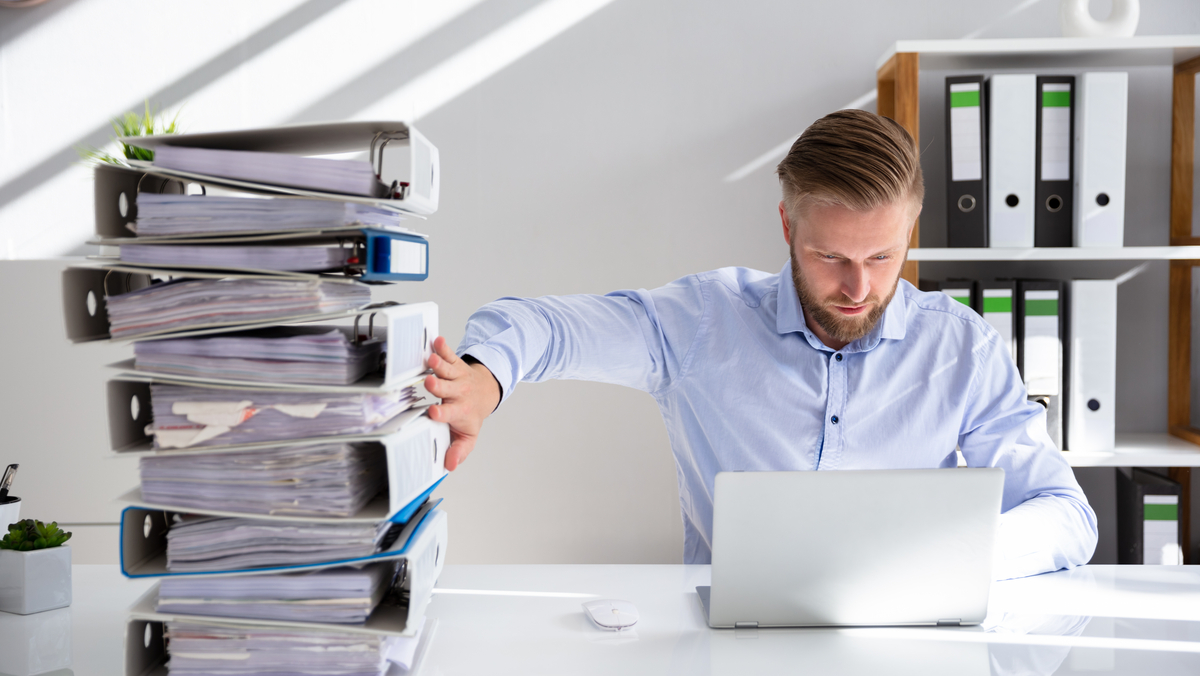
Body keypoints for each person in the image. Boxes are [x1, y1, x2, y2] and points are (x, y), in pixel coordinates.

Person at [421, 109, 1098, 580]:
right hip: (731, 650)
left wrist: (952, 555)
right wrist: (486, 376)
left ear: (912, 232)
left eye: (884, 257)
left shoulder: (961, 347)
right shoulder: (702, 322)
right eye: (830, 256)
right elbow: (544, 326)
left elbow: (1067, 516)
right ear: (786, 225)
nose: (858, 288)